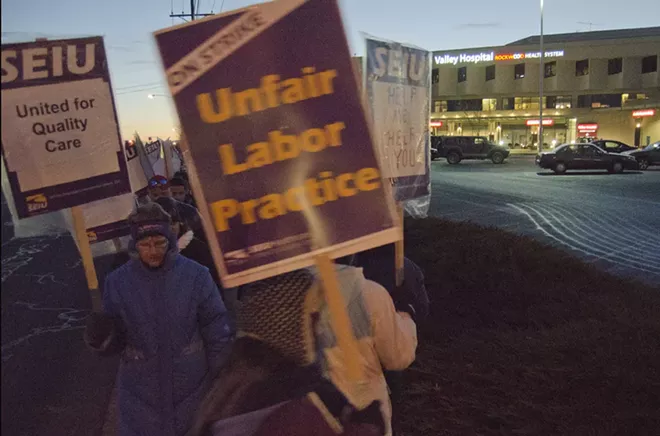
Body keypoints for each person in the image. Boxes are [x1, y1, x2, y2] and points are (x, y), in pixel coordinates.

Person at [85, 202, 234, 436]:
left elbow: (216, 327)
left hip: (192, 390)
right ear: (135, 244)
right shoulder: (117, 282)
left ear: (171, 240)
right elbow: (115, 341)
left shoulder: (196, 276)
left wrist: (220, 379)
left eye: (160, 243)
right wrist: (101, 337)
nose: (153, 250)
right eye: (145, 244)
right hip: (141, 397)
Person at [187, 269, 385, 436]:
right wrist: (363, 425)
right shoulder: (294, 405)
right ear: (288, 324)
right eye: (313, 316)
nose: (319, 328)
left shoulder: (229, 390)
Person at [312, 256, 418, 436]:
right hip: (364, 414)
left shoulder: (275, 295)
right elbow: (398, 356)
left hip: (307, 414)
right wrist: (405, 315)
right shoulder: (370, 293)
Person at [154, 197, 222, 293]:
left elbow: (214, 285)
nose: (169, 229)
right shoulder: (147, 252)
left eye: (173, 223)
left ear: (180, 223)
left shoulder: (198, 249)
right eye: (163, 225)